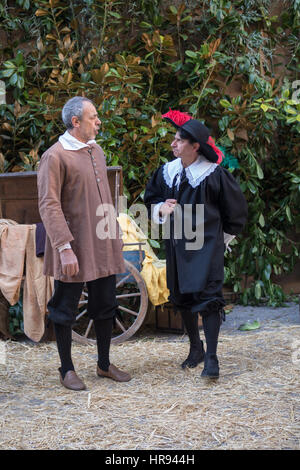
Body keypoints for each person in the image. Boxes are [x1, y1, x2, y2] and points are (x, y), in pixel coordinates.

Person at [144, 110, 248, 378]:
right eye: (174, 139)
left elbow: (235, 213)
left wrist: (219, 243)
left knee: (210, 298)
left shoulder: (214, 175)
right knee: (183, 295)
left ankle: (212, 358)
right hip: (178, 246)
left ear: (195, 146)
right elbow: (150, 199)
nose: (173, 144)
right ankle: (195, 349)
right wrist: (161, 208)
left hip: (207, 247)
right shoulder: (168, 173)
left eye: (179, 140)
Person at [37, 96, 131, 390]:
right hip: (73, 248)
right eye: (93, 117)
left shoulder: (96, 151)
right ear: (75, 122)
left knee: (105, 305)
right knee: (64, 308)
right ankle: (66, 370)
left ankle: (103, 365)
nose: (98, 121)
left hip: (102, 244)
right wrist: (64, 247)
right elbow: (48, 204)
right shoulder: (55, 156)